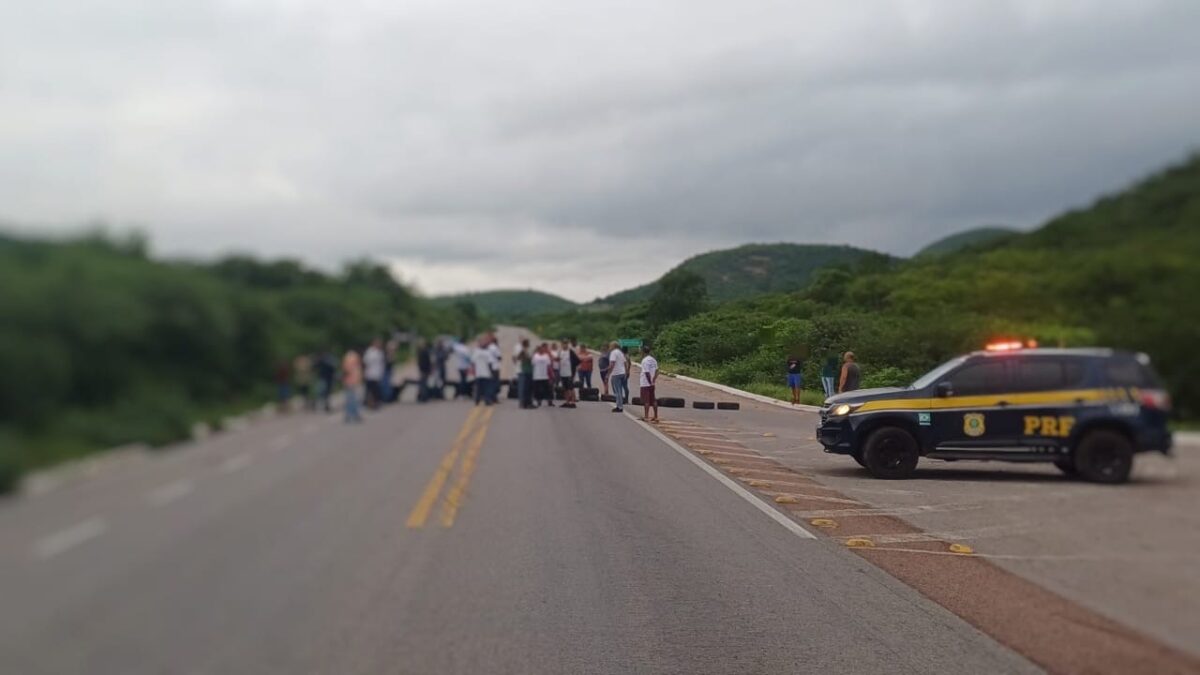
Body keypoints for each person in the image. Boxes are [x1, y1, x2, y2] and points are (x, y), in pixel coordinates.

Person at [342, 348, 364, 423]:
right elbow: (357, 369)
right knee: (353, 399)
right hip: (353, 380)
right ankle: (354, 414)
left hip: (349, 380)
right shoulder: (355, 357)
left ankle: (349, 414)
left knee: (350, 399)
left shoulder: (347, 357)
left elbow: (345, 369)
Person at [606, 341, 628, 413]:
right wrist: (626, 372)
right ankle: (620, 405)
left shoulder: (613, 353)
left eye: (610, 346)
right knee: (620, 390)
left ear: (613, 346)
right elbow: (625, 363)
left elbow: (612, 364)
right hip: (622, 373)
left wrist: (608, 374)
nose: (609, 347)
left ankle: (619, 407)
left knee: (617, 391)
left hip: (616, 373)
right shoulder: (621, 353)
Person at [639, 344, 659, 422]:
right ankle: (655, 416)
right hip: (652, 383)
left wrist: (650, 382)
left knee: (646, 400)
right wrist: (654, 380)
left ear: (643, 352)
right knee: (653, 400)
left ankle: (646, 416)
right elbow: (657, 371)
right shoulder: (653, 360)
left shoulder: (644, 360)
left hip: (645, 383)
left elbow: (646, 372)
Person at [471, 338, 494, 405]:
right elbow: (490, 363)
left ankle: (477, 400)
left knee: (479, 388)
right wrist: (491, 372)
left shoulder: (476, 352)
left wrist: (474, 371)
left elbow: (473, 362)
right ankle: (487, 400)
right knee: (486, 389)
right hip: (486, 373)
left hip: (479, 373)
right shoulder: (488, 352)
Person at [363, 339, 385, 409]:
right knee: (370, 389)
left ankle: (376, 402)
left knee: (376, 390)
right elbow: (366, 361)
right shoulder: (370, 352)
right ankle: (369, 403)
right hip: (370, 374)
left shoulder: (380, 352)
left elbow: (381, 364)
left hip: (377, 374)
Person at [558, 340, 577, 408]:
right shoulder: (560, 352)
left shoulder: (570, 352)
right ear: (561, 345)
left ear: (567, 345)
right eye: (563, 344)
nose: (564, 345)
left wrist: (573, 370)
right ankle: (567, 402)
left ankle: (572, 402)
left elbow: (577, 361)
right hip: (562, 373)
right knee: (565, 388)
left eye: (566, 344)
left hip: (569, 373)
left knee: (570, 388)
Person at [517, 339, 534, 408]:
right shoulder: (523, 351)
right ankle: (525, 403)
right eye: (528, 343)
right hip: (526, 371)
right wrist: (528, 358)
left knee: (529, 388)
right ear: (526, 344)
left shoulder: (527, 350)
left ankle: (528, 402)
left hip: (529, 370)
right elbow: (519, 358)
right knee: (526, 388)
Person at [487, 334, 502, 404]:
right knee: (495, 383)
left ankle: (490, 397)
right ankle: (493, 398)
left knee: (490, 383)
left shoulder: (488, 347)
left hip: (489, 366)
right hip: (494, 367)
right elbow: (499, 357)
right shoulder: (495, 347)